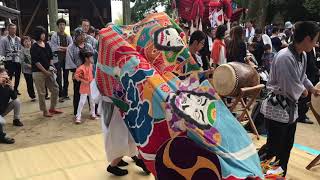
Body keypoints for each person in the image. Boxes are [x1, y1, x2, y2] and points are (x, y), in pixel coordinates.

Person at [260, 21, 320, 177]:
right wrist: (305, 92)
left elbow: (302, 76)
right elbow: (291, 86)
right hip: (276, 108)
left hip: (289, 110)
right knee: (273, 148)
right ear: (307, 39)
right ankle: (257, 171)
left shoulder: (303, 55)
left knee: (286, 147)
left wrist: (312, 88)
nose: (316, 43)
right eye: (315, 40)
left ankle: (279, 175)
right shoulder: (285, 57)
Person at [31, 26, 63, 117]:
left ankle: (52, 108)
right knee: (42, 93)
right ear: (38, 34)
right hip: (38, 72)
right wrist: (45, 71)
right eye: (42, 33)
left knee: (55, 88)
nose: (44, 35)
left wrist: (51, 66)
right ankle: (44, 111)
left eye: (44, 33)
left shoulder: (47, 44)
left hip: (48, 70)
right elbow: (36, 62)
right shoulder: (34, 47)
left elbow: (51, 57)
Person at [65, 27, 94, 116]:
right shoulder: (71, 47)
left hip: (88, 72)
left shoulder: (88, 45)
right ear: (75, 36)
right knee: (78, 92)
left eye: (83, 34)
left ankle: (93, 111)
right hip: (78, 73)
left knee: (91, 92)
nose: (82, 37)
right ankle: (77, 112)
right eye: (80, 35)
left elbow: (92, 59)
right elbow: (69, 61)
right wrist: (77, 71)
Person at [50, 18, 73, 102]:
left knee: (66, 77)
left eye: (63, 24)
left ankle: (65, 94)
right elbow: (54, 47)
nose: (62, 26)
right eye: (60, 25)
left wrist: (61, 48)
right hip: (57, 59)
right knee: (58, 77)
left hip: (66, 59)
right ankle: (60, 94)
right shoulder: (55, 35)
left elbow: (70, 48)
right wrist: (65, 48)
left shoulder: (68, 36)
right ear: (58, 26)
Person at [73, 50, 97, 124]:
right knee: (82, 101)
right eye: (91, 57)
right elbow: (75, 76)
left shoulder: (92, 66)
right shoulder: (81, 68)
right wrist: (83, 80)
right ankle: (78, 116)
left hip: (91, 85)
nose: (92, 59)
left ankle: (93, 113)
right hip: (85, 86)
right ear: (86, 59)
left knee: (92, 101)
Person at [0, 23, 22, 95]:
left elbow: (20, 49)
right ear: (8, 29)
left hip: (17, 59)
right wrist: (2, 62)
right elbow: (2, 51)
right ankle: (9, 89)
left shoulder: (18, 39)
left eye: (14, 29)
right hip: (9, 60)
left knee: (18, 76)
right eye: (12, 28)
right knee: (9, 76)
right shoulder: (4, 39)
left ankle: (15, 89)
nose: (13, 30)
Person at [20, 36, 36, 101]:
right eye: (25, 42)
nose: (28, 43)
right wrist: (29, 65)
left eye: (29, 41)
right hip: (27, 70)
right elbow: (22, 61)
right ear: (23, 43)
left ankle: (44, 94)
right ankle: (32, 96)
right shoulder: (22, 51)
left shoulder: (34, 49)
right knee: (29, 83)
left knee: (38, 81)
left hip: (35, 68)